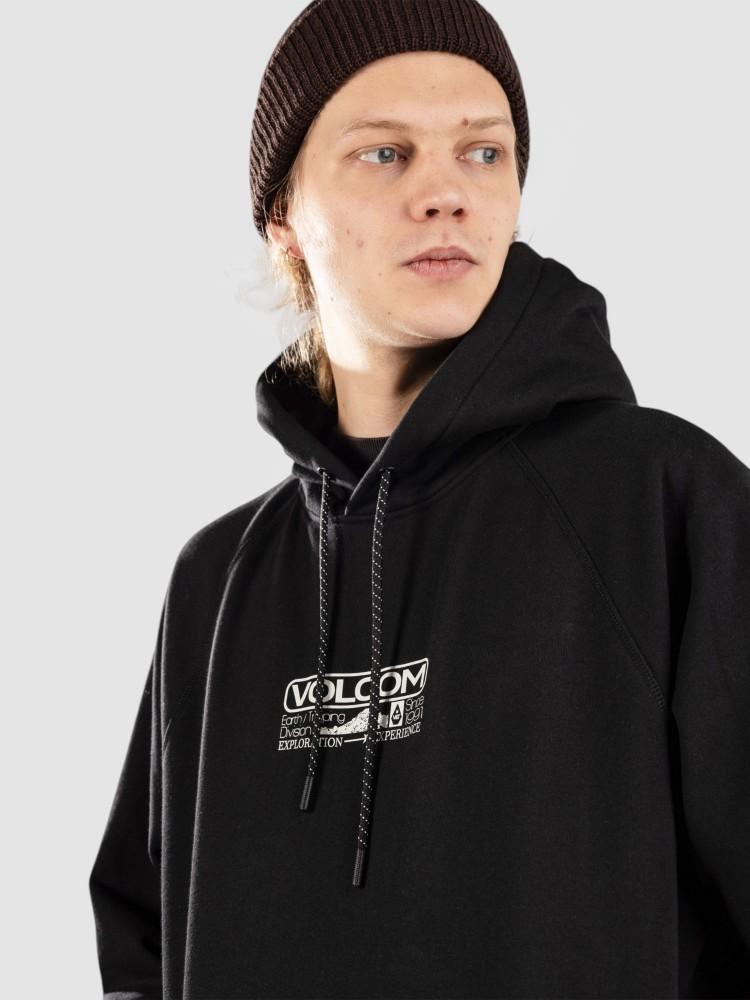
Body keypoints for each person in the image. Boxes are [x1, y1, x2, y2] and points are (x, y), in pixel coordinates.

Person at [88, 1, 750, 997]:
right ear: (283, 218)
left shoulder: (658, 501)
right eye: (384, 153)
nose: (446, 194)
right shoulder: (218, 581)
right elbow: (144, 945)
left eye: (484, 153)